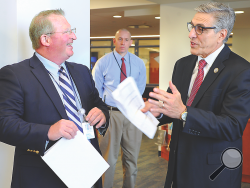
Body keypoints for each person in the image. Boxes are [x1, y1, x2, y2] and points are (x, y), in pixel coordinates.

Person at [142, 2, 250, 188]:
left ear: (221, 35)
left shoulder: (241, 70)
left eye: (200, 29)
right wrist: (159, 111)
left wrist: (185, 113)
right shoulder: (183, 64)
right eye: (192, 26)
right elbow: (173, 107)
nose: (191, 34)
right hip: (178, 164)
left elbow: (232, 126)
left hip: (213, 172)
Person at [0, 9, 109, 188]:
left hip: (88, 171)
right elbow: (4, 124)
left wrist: (102, 115)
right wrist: (48, 131)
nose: (73, 36)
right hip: (42, 177)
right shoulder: (15, 75)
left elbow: (98, 105)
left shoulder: (82, 71)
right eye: (67, 32)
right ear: (45, 39)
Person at [92, 28, 146, 188]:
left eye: (126, 39)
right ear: (114, 41)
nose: (123, 42)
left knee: (132, 160)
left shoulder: (138, 63)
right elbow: (96, 89)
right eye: (120, 39)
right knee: (108, 159)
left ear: (131, 42)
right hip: (110, 114)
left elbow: (140, 88)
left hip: (132, 114)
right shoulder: (103, 62)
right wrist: (102, 110)